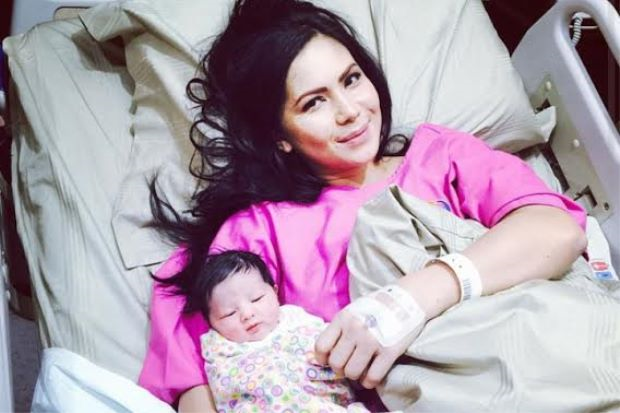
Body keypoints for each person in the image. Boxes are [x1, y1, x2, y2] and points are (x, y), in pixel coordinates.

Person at [139, 0, 587, 411]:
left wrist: (410, 300)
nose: (350, 111)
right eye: (314, 102)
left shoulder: (440, 157)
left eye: (351, 79)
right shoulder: (258, 232)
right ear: (279, 135)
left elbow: (557, 231)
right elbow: (201, 378)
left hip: (542, 358)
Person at [185, 249, 372, 412]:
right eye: (229, 313)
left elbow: (334, 346)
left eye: (257, 299)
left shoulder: (296, 320)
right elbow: (223, 387)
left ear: (274, 292)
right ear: (212, 323)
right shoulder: (219, 348)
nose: (247, 314)